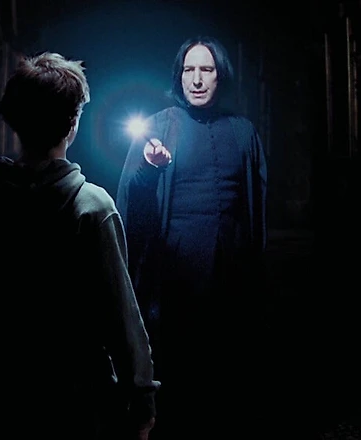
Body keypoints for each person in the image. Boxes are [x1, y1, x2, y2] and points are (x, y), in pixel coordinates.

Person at [0, 51, 159, 440]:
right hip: (78, 400)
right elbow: (121, 318)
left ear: (16, 122)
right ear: (73, 123)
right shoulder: (92, 208)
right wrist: (141, 399)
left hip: (6, 395)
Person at [115, 36, 268, 438]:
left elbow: (254, 211)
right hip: (174, 279)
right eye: (189, 70)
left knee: (224, 378)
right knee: (178, 379)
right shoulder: (159, 127)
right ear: (179, 76)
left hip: (229, 277)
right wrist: (149, 169)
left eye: (206, 69)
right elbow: (132, 205)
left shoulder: (243, 132)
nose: (197, 80)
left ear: (221, 76)